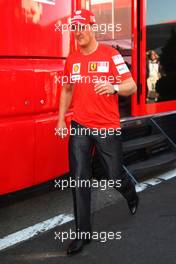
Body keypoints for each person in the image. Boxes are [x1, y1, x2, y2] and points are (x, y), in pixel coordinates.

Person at [56, 9, 139, 255]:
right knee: (79, 179)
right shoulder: (71, 60)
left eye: (82, 27)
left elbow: (132, 86)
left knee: (113, 176)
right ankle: (83, 234)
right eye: (75, 28)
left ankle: (130, 192)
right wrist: (61, 119)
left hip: (107, 127)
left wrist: (113, 86)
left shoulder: (111, 55)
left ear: (93, 27)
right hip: (80, 126)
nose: (78, 32)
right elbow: (67, 90)